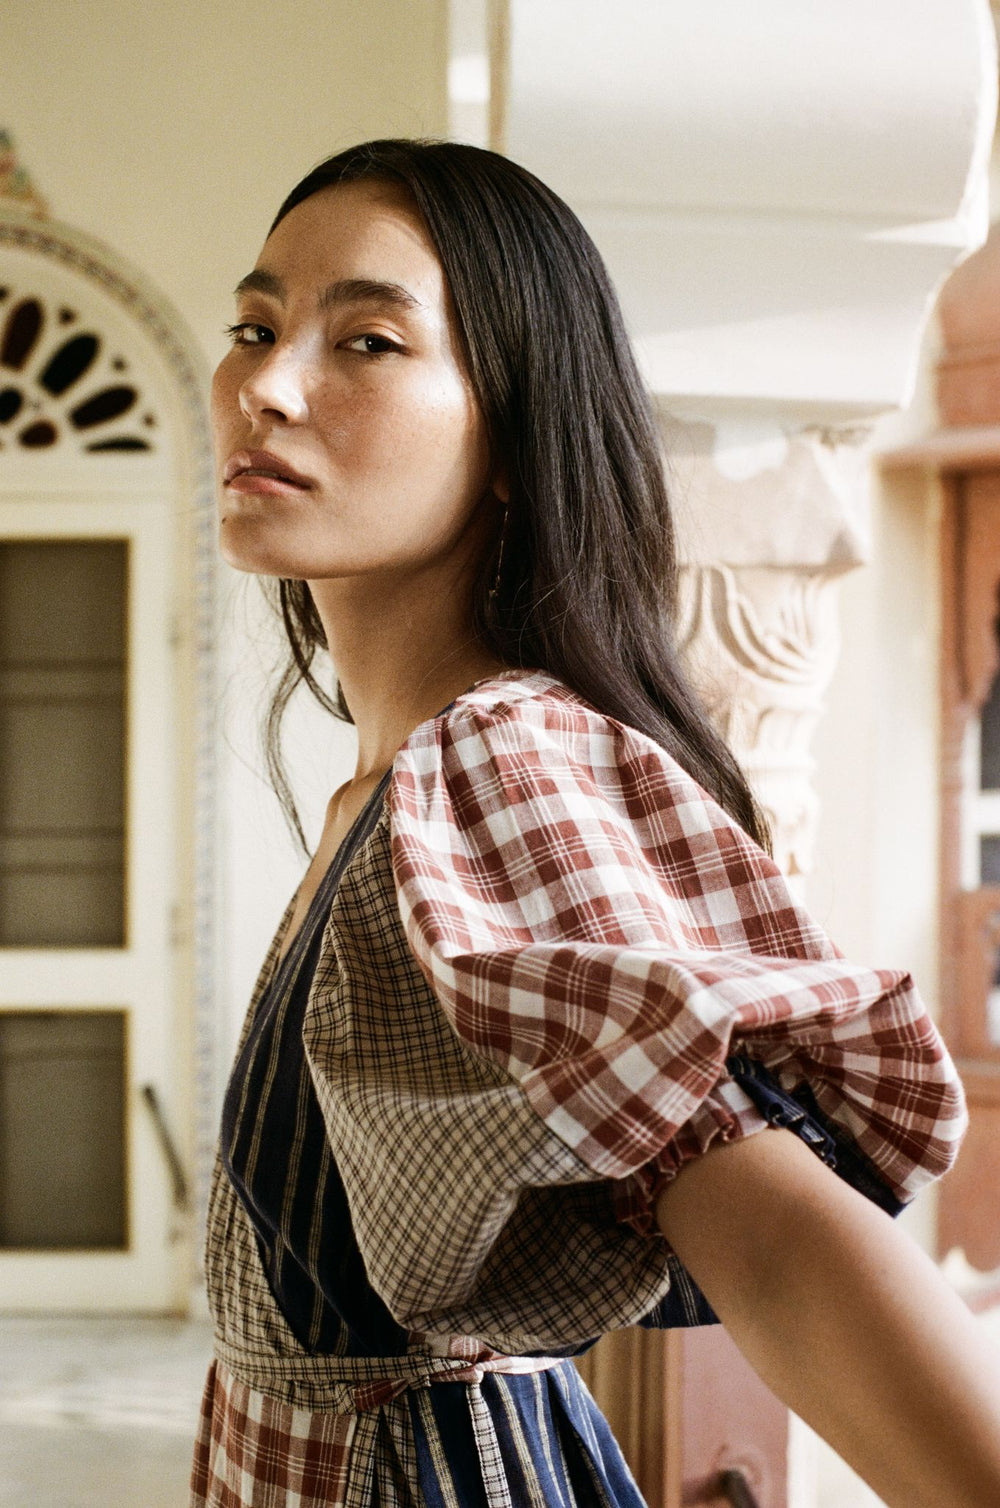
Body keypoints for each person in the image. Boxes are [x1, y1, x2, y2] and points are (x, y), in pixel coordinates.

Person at [192, 138, 1000, 1508]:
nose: (265, 386)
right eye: (255, 328)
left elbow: (776, 1237)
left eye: (368, 342)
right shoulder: (387, 787)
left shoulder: (496, 760)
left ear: (515, 439)